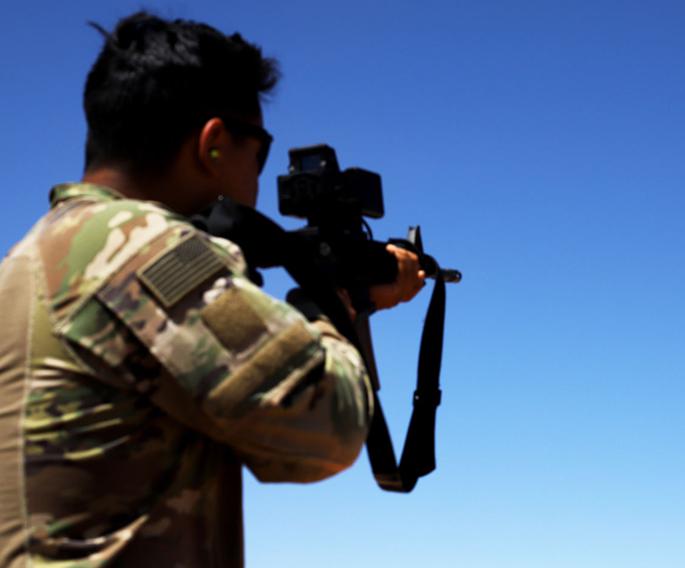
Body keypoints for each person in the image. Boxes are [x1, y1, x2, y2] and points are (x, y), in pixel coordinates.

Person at [0, 11, 424, 567]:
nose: (259, 181)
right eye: (261, 151)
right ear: (214, 145)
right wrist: (338, 302)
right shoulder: (141, 249)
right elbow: (328, 427)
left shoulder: (30, 258)